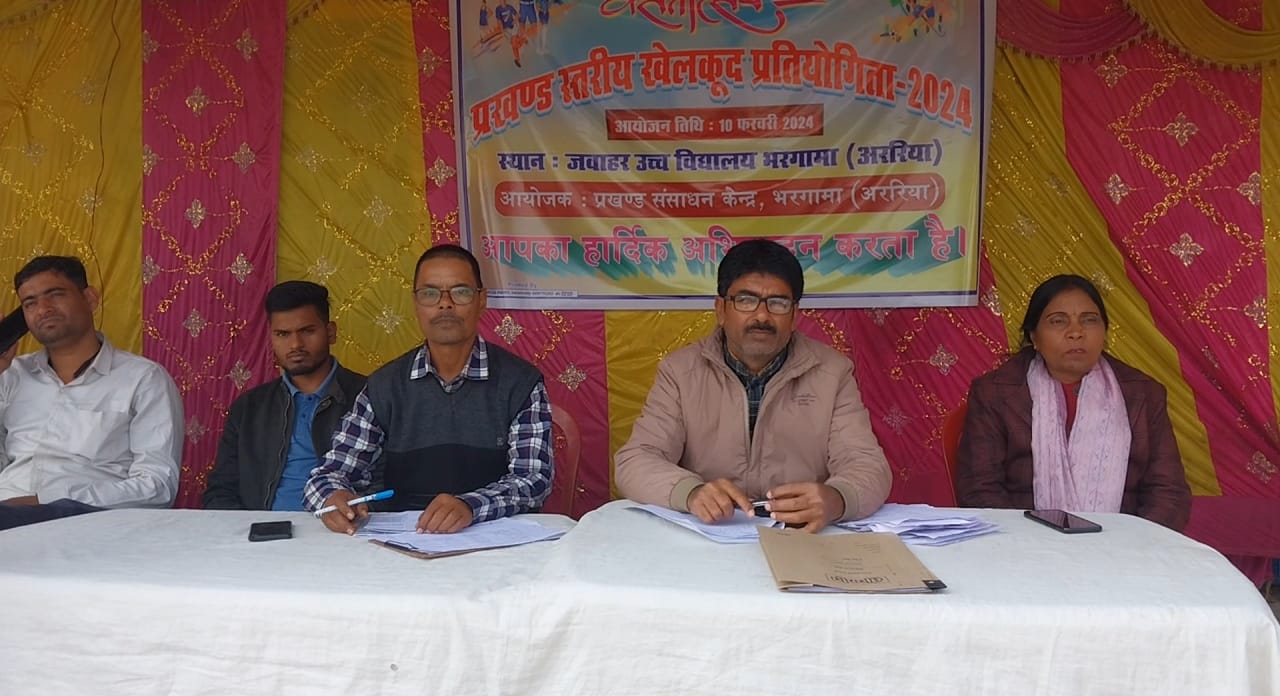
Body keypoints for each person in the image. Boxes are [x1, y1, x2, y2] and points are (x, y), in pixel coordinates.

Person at [615, 239, 892, 532]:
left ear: (795, 315)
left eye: (778, 303)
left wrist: (837, 498)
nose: (762, 316)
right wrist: (691, 492)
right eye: (746, 300)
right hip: (710, 532)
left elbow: (866, 464)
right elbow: (636, 460)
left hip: (800, 534)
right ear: (721, 309)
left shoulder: (832, 372)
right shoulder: (681, 372)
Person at [304, 244, 553, 535]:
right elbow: (332, 473)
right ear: (416, 303)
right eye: (430, 293)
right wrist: (332, 497)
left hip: (495, 540)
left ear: (481, 300)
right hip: (406, 539)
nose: (445, 304)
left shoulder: (519, 382)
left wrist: (470, 506)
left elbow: (533, 479)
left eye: (460, 292)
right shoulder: (386, 386)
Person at [955, 274, 1191, 530]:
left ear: (1104, 333)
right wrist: (1027, 544)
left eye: (1089, 320)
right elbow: (980, 489)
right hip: (1023, 542)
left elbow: (1168, 491)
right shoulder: (995, 393)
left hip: (1124, 543)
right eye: (1058, 321)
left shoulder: (1142, 394)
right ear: (1034, 336)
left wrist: (1137, 543)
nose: (1076, 332)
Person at [0, 256, 183, 530]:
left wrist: (48, 501)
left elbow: (157, 486)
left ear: (90, 298)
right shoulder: (11, 375)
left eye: (55, 294)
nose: (43, 309)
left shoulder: (143, 379)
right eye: (30, 303)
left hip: (84, 522)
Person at [203, 281, 369, 511]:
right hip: (261, 527)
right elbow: (221, 490)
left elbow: (387, 482)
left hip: (344, 525)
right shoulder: (249, 408)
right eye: (282, 334)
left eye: (307, 331)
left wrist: (354, 515)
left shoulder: (369, 397)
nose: (295, 345)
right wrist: (244, 529)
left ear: (331, 332)